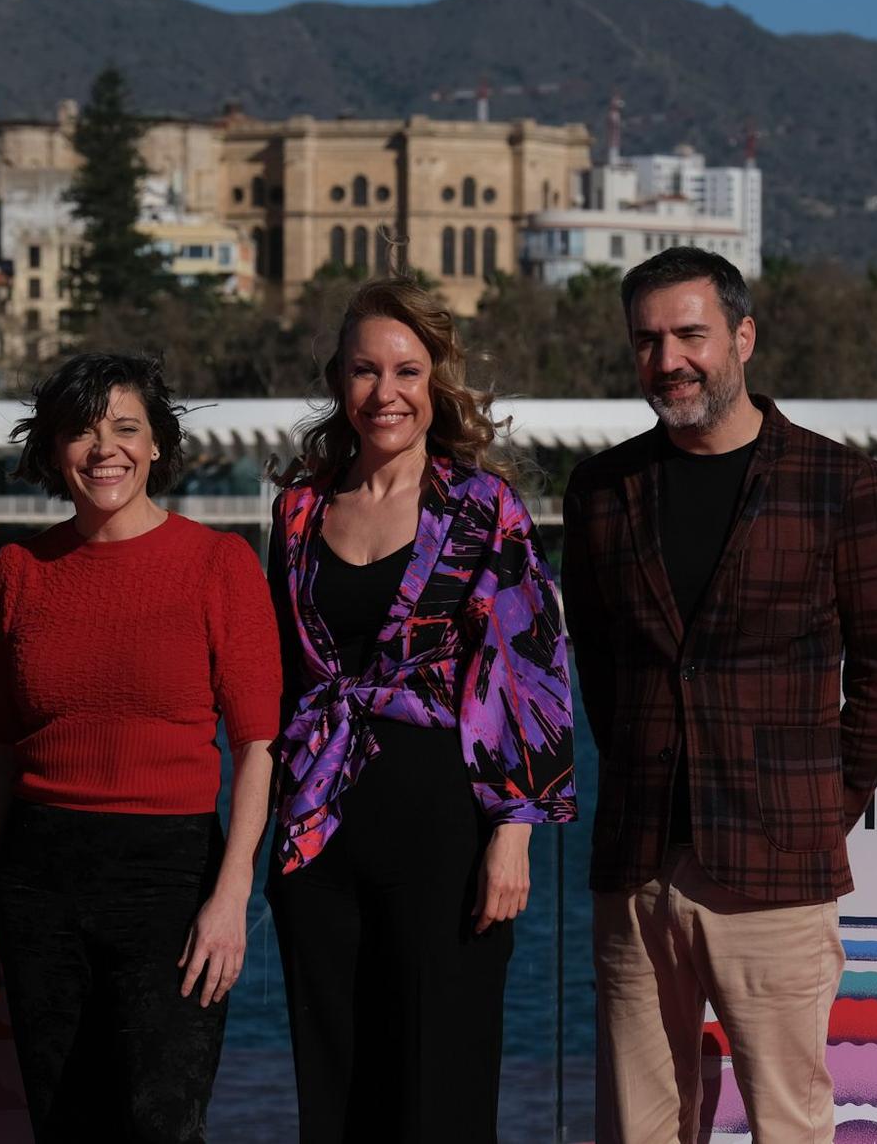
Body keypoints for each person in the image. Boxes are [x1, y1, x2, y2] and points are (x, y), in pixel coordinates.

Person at [561, 247, 877, 1142]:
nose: (669, 360)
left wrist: (822, 807)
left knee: (788, 1121)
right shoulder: (602, 491)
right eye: (648, 341)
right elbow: (598, 665)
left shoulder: (842, 485)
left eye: (691, 334)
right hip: (637, 868)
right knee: (636, 1127)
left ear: (744, 337)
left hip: (779, 870)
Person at [267, 276, 576, 1143]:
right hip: (317, 836)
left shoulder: (485, 509)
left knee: (441, 1085)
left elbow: (535, 676)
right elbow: (286, 680)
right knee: (334, 1087)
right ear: (340, 380)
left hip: (446, 830)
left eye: (407, 370)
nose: (386, 392)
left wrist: (513, 833)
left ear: (436, 381)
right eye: (366, 371)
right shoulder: (296, 512)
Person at [0, 353, 281, 1143]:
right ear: (53, 450)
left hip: (169, 879)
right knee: (65, 1126)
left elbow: (259, 746)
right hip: (38, 880)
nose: (106, 450)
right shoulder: (20, 570)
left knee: (163, 1123)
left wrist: (231, 897)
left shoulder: (220, 564)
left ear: (158, 446)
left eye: (126, 428)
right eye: (81, 431)